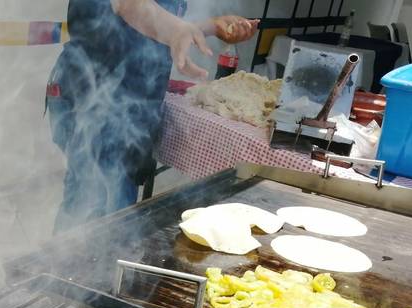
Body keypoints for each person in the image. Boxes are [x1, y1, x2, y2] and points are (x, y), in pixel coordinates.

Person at [47, 0, 258, 233]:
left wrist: (209, 26)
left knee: (108, 209)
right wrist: (178, 29)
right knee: (95, 208)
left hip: (128, 106)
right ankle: (70, 265)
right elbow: (128, 4)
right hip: (93, 99)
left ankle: (89, 262)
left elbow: (149, 23)